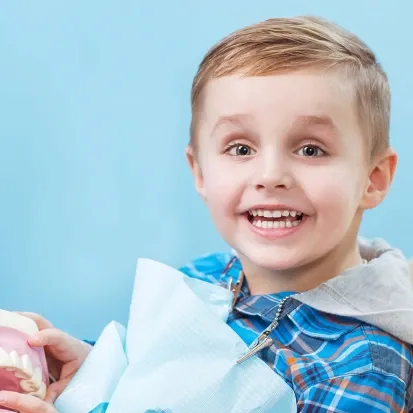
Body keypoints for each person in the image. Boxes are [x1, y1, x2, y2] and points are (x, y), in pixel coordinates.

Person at [1, 15, 413, 413]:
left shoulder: (361, 367)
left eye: (310, 149)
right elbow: (153, 385)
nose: (270, 176)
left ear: (372, 180)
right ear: (199, 172)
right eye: (241, 149)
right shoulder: (205, 280)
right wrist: (92, 370)